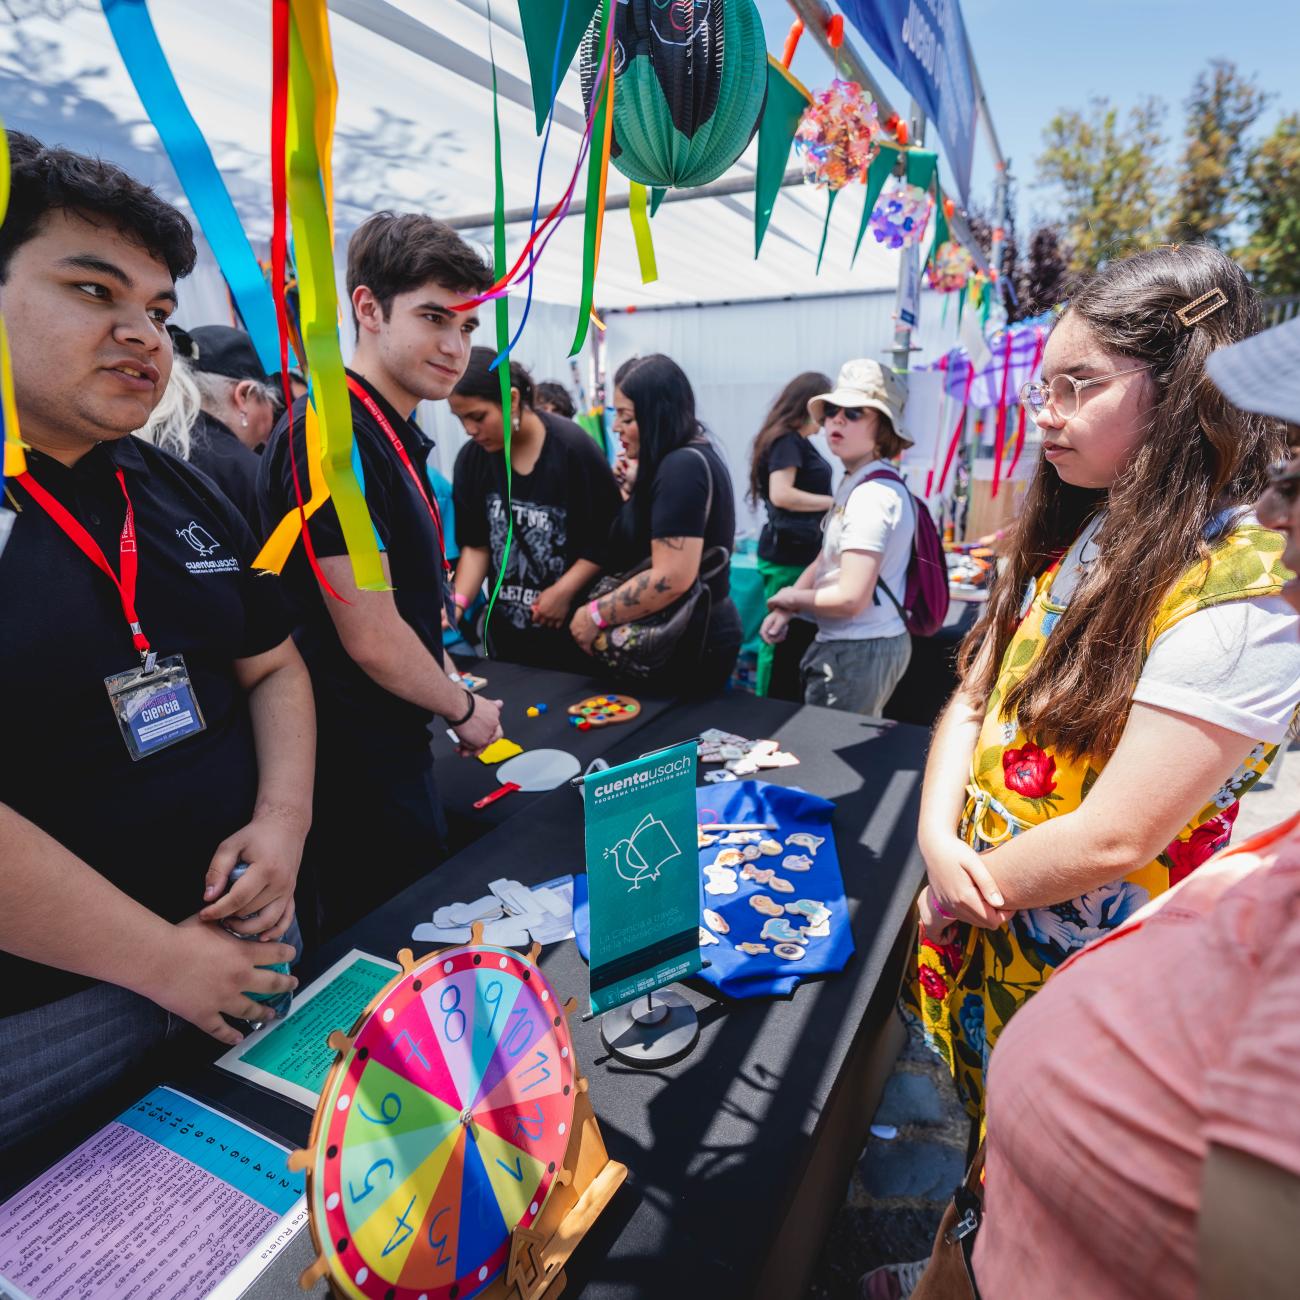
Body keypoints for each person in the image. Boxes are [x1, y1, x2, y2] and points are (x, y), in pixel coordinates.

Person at [905, 314, 1300, 1300]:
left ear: (1176, 393)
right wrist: (936, 844)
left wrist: (964, 882)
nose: (1044, 414)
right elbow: (977, 689)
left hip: (1050, 935)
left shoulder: (1239, 588)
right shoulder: (1088, 521)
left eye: (1078, 384)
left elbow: (1120, 831)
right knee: (982, 1157)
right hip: (998, 926)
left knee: (997, 1171)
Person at [0, 133, 311, 1151]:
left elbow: (272, 664)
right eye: (95, 291)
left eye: (161, 312)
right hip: (41, 1024)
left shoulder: (173, 481)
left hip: (243, 942)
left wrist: (282, 823)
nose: (144, 336)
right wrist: (162, 962)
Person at [257, 211, 503, 936]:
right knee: (395, 948)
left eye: (467, 327)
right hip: (351, 762)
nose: (456, 347)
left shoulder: (381, 427)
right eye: (435, 318)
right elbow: (367, 633)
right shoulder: (330, 436)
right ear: (367, 308)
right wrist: (461, 709)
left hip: (383, 741)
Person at [570, 354, 740, 694]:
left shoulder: (682, 467)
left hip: (685, 641)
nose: (615, 427)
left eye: (626, 417)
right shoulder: (683, 459)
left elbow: (671, 577)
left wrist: (595, 615)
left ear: (657, 415)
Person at [449, 348, 622, 671]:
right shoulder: (472, 459)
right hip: (507, 644)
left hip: (574, 645)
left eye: (477, 416)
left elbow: (607, 539)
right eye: (460, 419)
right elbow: (476, 546)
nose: (469, 430)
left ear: (512, 400)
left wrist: (564, 591)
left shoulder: (574, 449)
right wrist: (457, 604)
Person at [761, 360, 915, 718]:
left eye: (855, 412)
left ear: (885, 426)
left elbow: (849, 599)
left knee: (828, 768)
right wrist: (787, 608)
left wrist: (790, 597)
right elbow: (826, 560)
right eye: (831, 411)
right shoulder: (858, 482)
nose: (836, 420)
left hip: (857, 650)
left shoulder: (871, 494)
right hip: (852, 647)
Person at [747, 371, 834, 699]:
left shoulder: (787, 440)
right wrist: (837, 502)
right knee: (775, 633)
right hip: (788, 555)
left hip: (795, 552)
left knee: (784, 632)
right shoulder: (786, 441)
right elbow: (781, 494)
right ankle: (764, 704)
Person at [171, 323, 277, 524]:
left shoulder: (145, 448)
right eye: (272, 402)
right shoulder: (251, 475)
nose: (266, 438)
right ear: (243, 396)